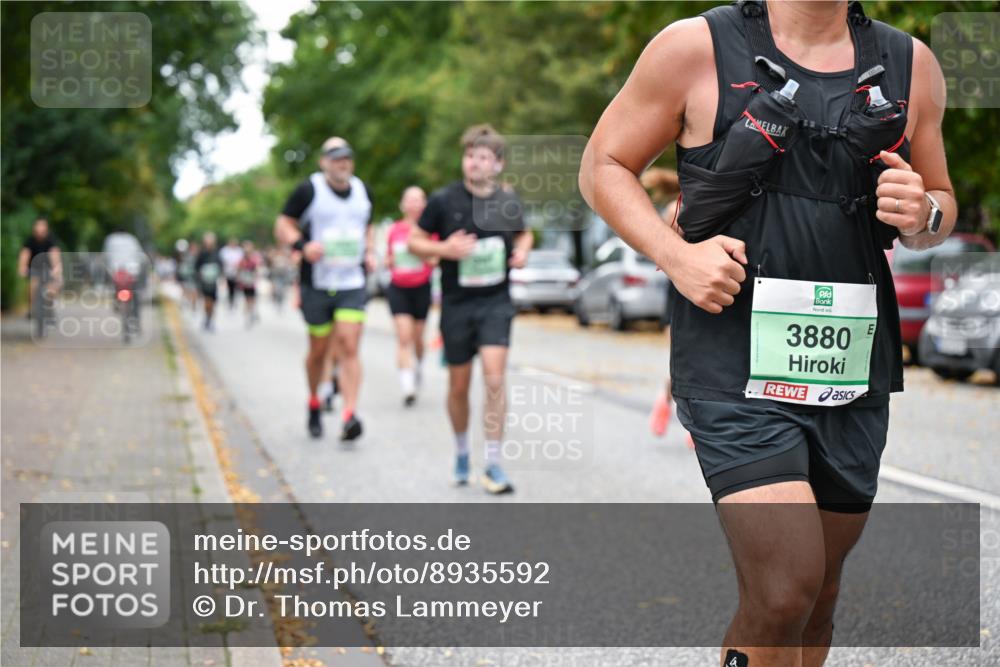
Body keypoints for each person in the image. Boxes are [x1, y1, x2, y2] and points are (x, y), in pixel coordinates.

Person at [579, 1, 955, 665]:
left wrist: (922, 210)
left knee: (819, 596)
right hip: (732, 360)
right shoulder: (694, 48)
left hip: (849, 364)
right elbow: (603, 164)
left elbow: (942, 202)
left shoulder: (911, 65)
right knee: (785, 587)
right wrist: (678, 259)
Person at [409, 124, 533, 494]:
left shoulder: (507, 202)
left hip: (496, 303)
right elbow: (415, 241)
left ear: (497, 164)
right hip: (457, 304)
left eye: (482, 157)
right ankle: (463, 450)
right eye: (469, 156)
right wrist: (443, 250)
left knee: (495, 379)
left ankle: (493, 462)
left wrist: (523, 250)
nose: (474, 163)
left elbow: (524, 232)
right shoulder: (444, 201)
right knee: (459, 385)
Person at [274, 137, 376, 440]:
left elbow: (367, 225)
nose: (342, 163)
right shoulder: (309, 190)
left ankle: (349, 414)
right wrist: (302, 246)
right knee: (318, 352)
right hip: (317, 283)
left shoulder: (363, 192)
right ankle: (314, 401)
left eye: (346, 157)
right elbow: (283, 224)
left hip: (351, 282)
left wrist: (369, 250)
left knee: (348, 345)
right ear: (323, 162)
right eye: (335, 158)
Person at [386, 185, 436, 406]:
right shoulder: (395, 230)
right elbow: (388, 259)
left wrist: (422, 254)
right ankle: (407, 386)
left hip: (421, 288)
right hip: (398, 288)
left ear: (425, 205)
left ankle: (419, 366)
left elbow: (436, 258)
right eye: (410, 200)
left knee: (417, 338)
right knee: (403, 337)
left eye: (419, 200)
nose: (415, 204)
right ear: (402, 204)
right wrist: (391, 261)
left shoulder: (431, 231)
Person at [17, 217, 62, 327]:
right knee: (32, 286)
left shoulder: (51, 240)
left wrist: (56, 269)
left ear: (46, 229)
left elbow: (55, 255)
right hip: (34, 270)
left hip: (48, 270)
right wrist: (22, 267)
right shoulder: (30, 241)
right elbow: (25, 254)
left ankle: (49, 311)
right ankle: (31, 308)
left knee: (51, 289)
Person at [194, 232, 223, 332]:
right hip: (204, 282)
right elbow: (197, 267)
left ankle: (211, 320)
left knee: (213, 302)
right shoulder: (202, 254)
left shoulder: (217, 253)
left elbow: (221, 266)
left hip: (213, 282)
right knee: (207, 301)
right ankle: (207, 318)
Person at [237, 240, 262, 327]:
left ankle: (251, 313)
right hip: (245, 283)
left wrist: (256, 275)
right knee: (247, 300)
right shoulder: (242, 260)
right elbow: (238, 269)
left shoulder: (254, 258)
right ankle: (248, 316)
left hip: (252, 282)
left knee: (252, 299)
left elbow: (257, 268)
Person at [219, 237, 244, 310]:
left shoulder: (239, 251)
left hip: (236, 272)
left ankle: (233, 299)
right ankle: (230, 300)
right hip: (228, 272)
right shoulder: (225, 250)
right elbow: (222, 261)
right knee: (229, 287)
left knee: (236, 287)